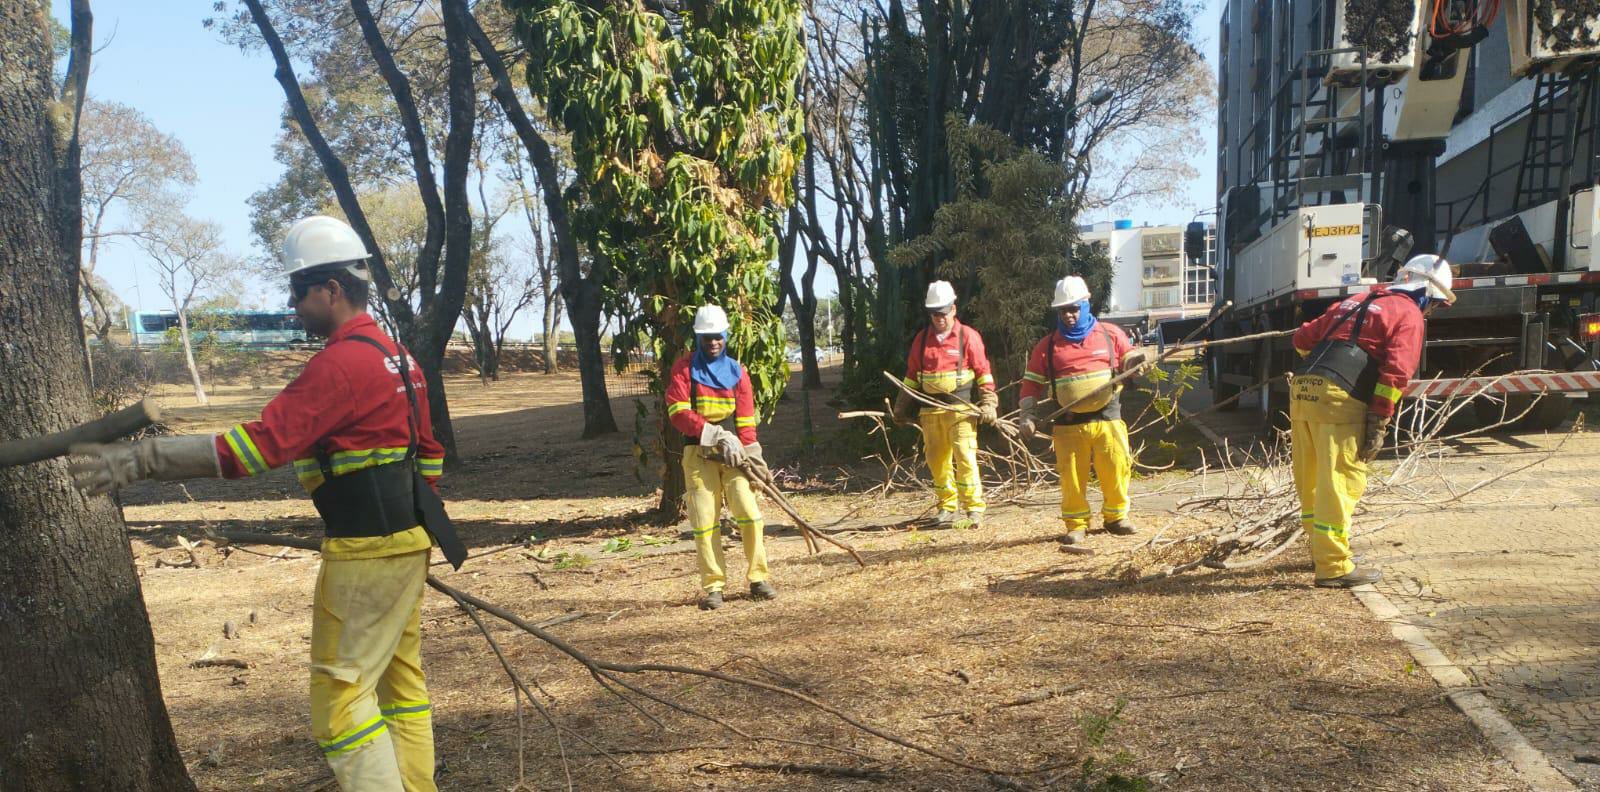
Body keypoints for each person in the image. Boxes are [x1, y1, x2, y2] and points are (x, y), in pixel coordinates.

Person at [69, 215, 464, 791]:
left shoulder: (341, 364)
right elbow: (428, 452)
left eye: (298, 293)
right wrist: (414, 527)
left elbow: (258, 448)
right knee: (400, 683)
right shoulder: (398, 357)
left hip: (366, 552)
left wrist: (142, 461)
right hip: (407, 541)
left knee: (340, 698)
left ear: (331, 290)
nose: (294, 306)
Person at [1290, 254, 1455, 588]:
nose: (1430, 311)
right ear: (1425, 293)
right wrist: (1379, 420)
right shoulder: (1409, 314)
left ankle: (1321, 552)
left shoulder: (1355, 300)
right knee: (1341, 481)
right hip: (1340, 400)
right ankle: (1334, 567)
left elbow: (1302, 340)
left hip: (1303, 392)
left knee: (1311, 477)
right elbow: (1396, 374)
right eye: (1434, 304)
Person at [1017, 276, 1145, 545]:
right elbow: (1031, 384)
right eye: (1063, 310)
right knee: (1072, 477)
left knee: (1116, 467)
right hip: (1068, 423)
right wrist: (1027, 416)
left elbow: (1128, 356)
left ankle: (1116, 517)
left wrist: (1136, 362)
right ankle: (1076, 524)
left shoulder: (1110, 334)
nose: (1069, 315)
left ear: (1086, 305)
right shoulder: (1048, 346)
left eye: (1074, 308)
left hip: (1107, 418)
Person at [665, 304, 774, 611]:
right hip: (698, 452)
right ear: (698, 338)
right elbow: (677, 412)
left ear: (726, 336)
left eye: (718, 337)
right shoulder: (684, 370)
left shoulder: (738, 373)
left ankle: (758, 578)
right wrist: (713, 434)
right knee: (704, 523)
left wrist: (753, 458)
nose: (713, 342)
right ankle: (714, 586)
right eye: (706, 337)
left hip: (734, 456)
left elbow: (746, 422)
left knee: (750, 514)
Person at [893, 281, 1000, 527]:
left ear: (953, 308)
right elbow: (911, 377)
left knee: (965, 457)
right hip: (930, 412)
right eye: (934, 312)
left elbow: (984, 373)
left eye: (943, 311)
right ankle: (947, 506)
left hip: (961, 411)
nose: (939, 317)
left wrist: (989, 403)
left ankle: (974, 509)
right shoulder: (921, 341)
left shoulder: (968, 337)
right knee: (936, 460)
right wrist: (901, 407)